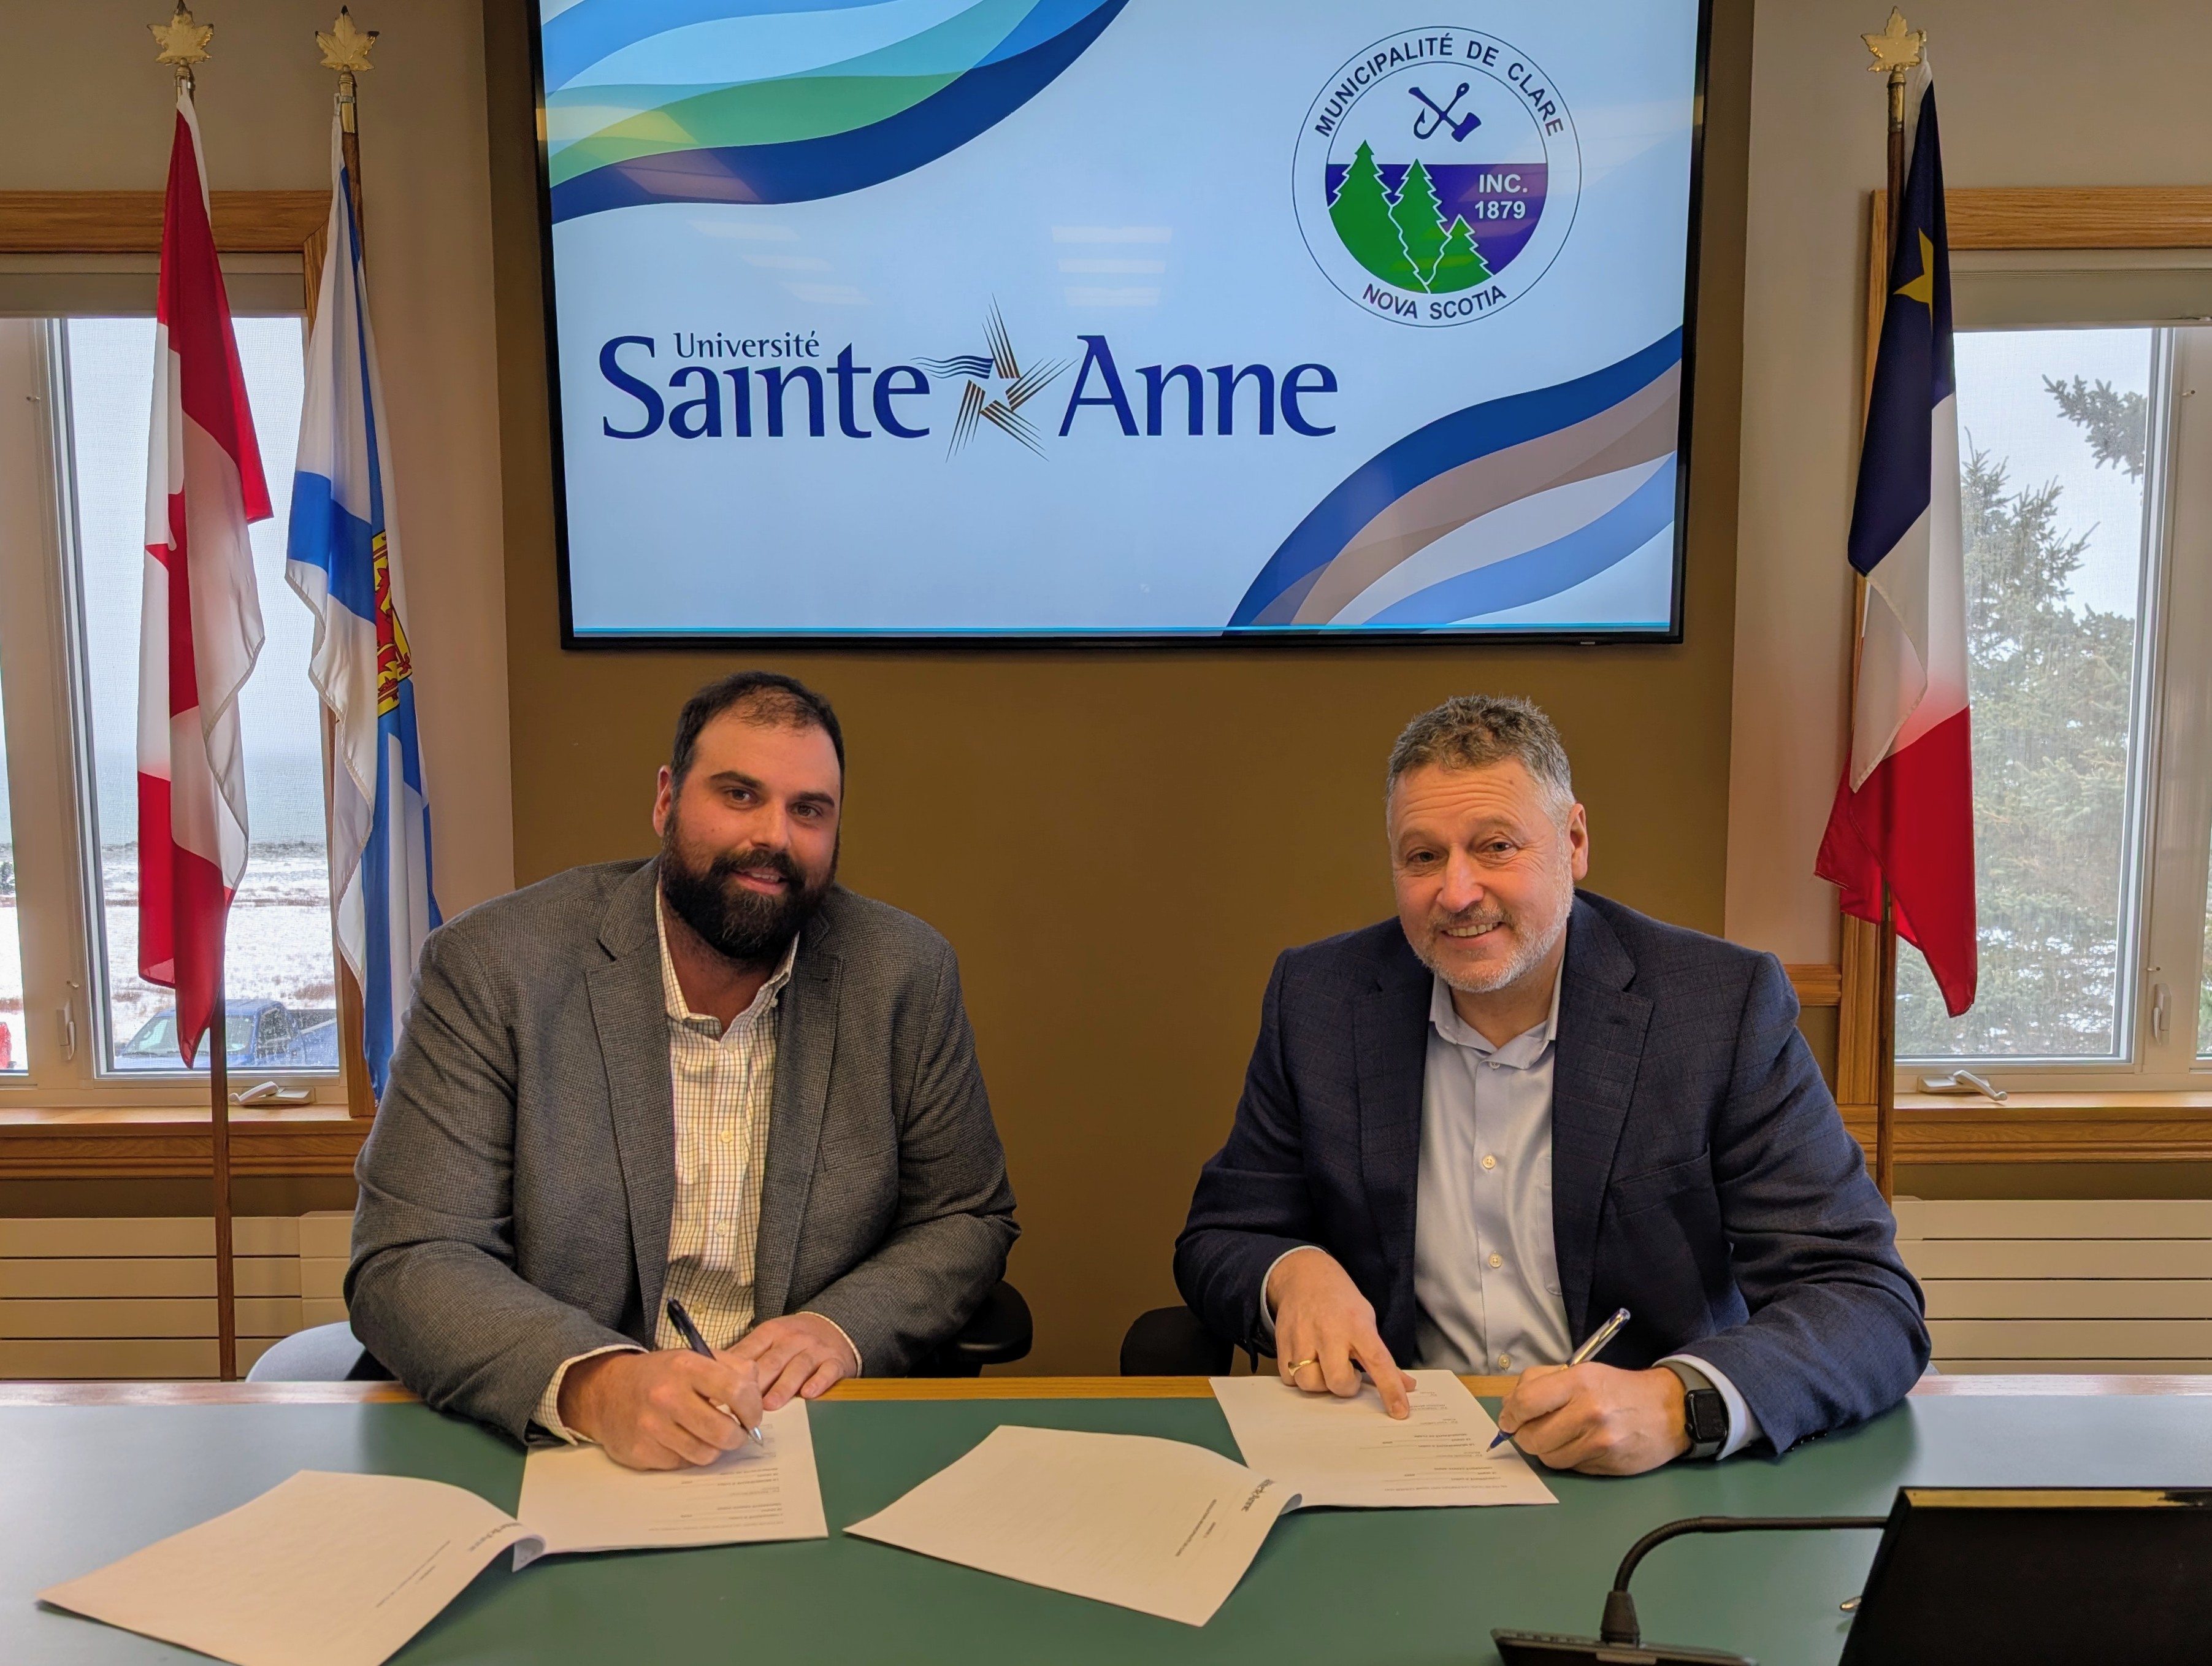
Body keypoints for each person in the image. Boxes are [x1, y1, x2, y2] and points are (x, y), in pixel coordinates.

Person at [1174, 694, 1927, 1474]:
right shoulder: (1319, 1000)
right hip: (1397, 1452)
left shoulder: (1717, 1007)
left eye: (1495, 846)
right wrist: (1294, 1274)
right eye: (1422, 857)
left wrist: (1680, 1402)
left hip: (1647, 1473)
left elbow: (1864, 1298)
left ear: (1573, 842)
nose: (1457, 892)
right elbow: (1223, 1236)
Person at [349, 672, 1018, 1468]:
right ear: (666, 800)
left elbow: (965, 1217)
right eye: (739, 795)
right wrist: (595, 1384)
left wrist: (838, 1329)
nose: (773, 837)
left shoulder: (903, 975)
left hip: (803, 1439)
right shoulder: (496, 967)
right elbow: (410, 1254)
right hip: (561, 1445)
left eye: (808, 811)